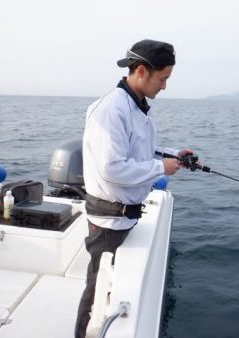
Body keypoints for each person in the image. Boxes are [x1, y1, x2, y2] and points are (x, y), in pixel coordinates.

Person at [75, 39, 194, 338]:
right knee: (97, 293)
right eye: (162, 79)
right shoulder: (110, 110)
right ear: (141, 71)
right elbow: (112, 168)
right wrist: (160, 168)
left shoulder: (138, 107)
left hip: (126, 216)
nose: (164, 87)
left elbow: (143, 151)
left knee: (109, 288)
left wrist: (172, 155)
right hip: (108, 222)